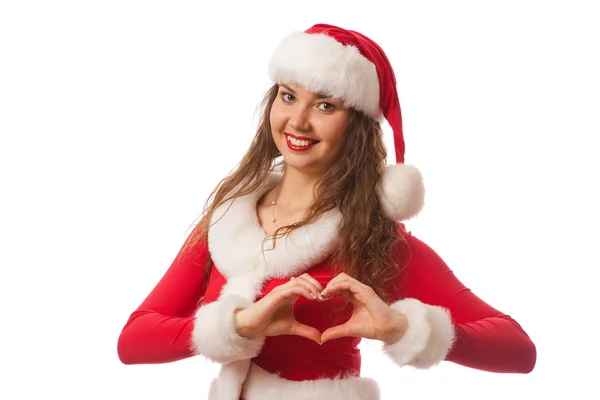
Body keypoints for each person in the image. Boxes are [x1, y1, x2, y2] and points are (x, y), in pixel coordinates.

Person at [117, 23, 537, 399]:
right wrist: (239, 325)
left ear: (353, 127)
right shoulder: (228, 222)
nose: (297, 121)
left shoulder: (374, 239)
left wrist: (401, 329)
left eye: (325, 106)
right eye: (288, 96)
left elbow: (518, 349)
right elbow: (133, 341)